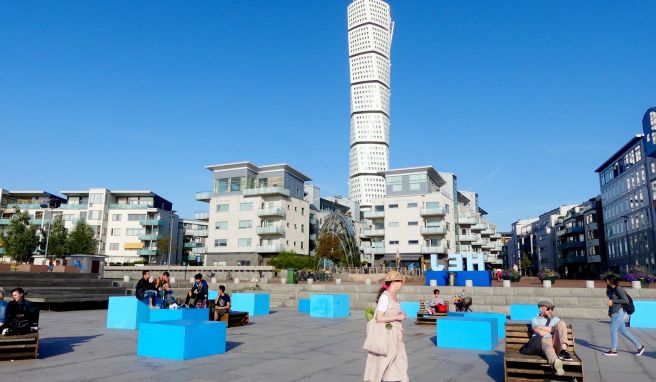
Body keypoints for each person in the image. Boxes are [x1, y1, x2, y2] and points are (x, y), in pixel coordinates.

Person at [364, 270, 409, 382]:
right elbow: (379, 318)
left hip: (396, 335)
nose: (401, 283)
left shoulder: (394, 296)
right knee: (385, 363)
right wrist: (398, 317)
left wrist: (399, 315)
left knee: (399, 362)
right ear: (393, 282)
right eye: (400, 281)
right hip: (387, 336)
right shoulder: (385, 297)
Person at [602, 274, 645, 356]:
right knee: (623, 331)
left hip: (620, 312)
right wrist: (610, 311)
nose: (605, 282)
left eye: (607, 280)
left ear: (611, 280)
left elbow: (625, 300)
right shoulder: (611, 289)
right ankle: (640, 346)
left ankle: (613, 350)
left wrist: (614, 302)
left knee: (613, 330)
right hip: (615, 311)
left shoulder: (618, 288)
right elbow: (610, 301)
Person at [530, 300, 572, 376]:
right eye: (548, 309)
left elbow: (560, 328)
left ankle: (563, 351)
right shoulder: (534, 319)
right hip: (544, 341)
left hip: (556, 341)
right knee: (549, 349)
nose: (551, 311)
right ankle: (557, 365)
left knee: (562, 323)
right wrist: (554, 329)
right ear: (541, 309)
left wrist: (541, 327)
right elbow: (540, 332)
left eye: (552, 309)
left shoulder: (555, 319)